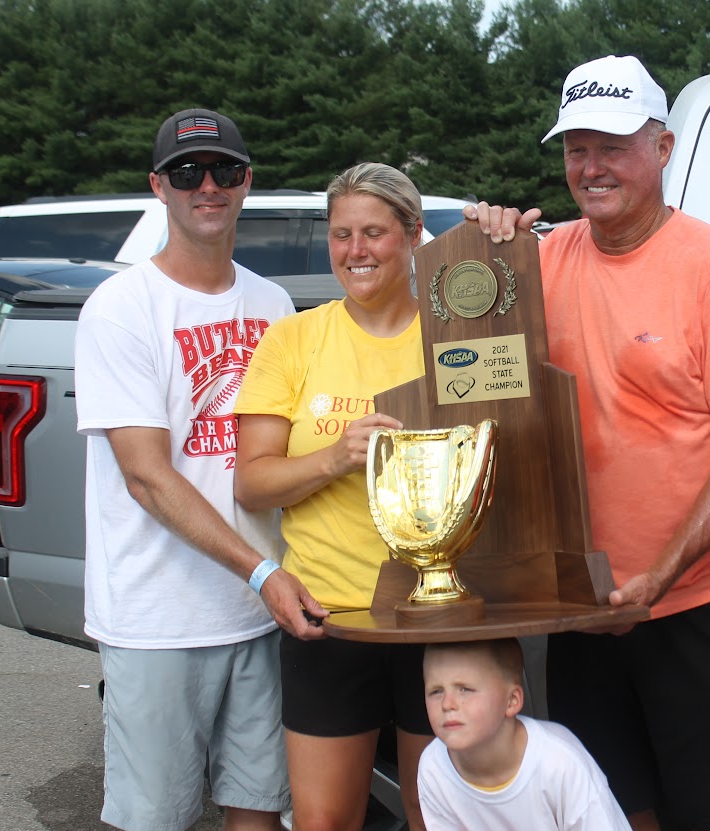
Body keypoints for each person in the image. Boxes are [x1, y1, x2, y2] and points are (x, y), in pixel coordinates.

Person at [468, 55, 710, 830]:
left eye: (613, 145)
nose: (592, 166)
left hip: (697, 600)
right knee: (612, 809)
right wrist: (485, 257)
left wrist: (658, 578)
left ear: (663, 148)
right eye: (576, 147)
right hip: (585, 605)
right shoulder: (542, 261)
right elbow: (474, 382)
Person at [75, 107, 327, 831]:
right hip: (159, 621)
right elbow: (148, 476)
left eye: (224, 170)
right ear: (159, 185)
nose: (207, 186)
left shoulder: (274, 304)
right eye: (188, 172)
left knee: (259, 810)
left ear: (248, 182)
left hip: (258, 617)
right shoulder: (120, 308)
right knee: (155, 819)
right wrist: (261, 571)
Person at [232, 161, 435, 831]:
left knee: (437, 813)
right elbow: (252, 482)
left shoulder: (454, 336)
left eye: (373, 232)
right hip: (330, 614)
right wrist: (336, 455)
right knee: (323, 820)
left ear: (411, 234)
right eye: (341, 233)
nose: (355, 251)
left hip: (444, 616)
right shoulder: (294, 338)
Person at [417, 639, 631, 830]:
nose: (447, 704)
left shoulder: (559, 762)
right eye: (436, 691)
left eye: (465, 689)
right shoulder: (433, 767)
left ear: (512, 701)